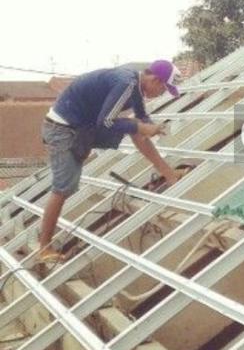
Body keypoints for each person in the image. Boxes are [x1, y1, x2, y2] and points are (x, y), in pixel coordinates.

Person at [37, 59, 184, 264]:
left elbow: (141, 116)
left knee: (136, 128)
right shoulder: (127, 83)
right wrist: (139, 127)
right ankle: (44, 248)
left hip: (80, 126)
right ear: (156, 80)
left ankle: (168, 174)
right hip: (63, 128)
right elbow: (106, 121)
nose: (161, 94)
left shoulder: (135, 84)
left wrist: (152, 127)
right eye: (163, 89)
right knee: (64, 186)